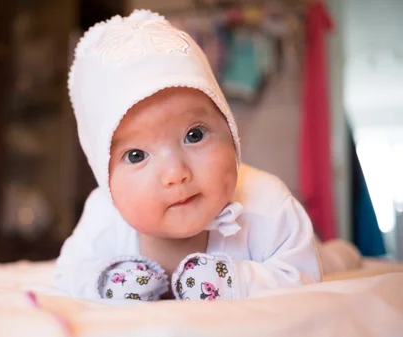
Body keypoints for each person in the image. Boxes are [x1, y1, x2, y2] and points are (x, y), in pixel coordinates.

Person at [55, 9, 322, 301]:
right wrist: (107, 280)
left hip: (317, 250)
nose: (175, 173)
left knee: (333, 257)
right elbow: (70, 271)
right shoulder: (103, 215)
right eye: (135, 155)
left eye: (194, 135)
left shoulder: (265, 203)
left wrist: (235, 281)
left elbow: (302, 271)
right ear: (104, 177)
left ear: (230, 129)